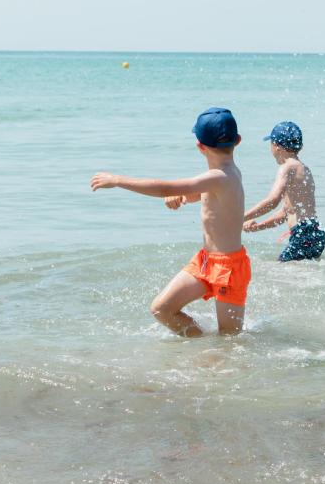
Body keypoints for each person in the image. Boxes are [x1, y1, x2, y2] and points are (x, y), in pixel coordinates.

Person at [90, 107, 250, 337]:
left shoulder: (220, 176)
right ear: (238, 141)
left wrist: (117, 180)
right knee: (161, 309)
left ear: (200, 146)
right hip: (206, 262)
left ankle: (219, 362)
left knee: (229, 338)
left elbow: (165, 187)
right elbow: (205, 194)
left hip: (229, 268)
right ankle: (201, 343)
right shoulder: (222, 174)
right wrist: (185, 197)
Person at [243, 121, 325, 261]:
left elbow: (272, 200)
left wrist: (240, 217)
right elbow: (285, 213)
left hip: (302, 234)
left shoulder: (287, 168)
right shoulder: (304, 169)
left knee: (278, 272)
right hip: (315, 233)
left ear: (276, 146)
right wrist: (258, 227)